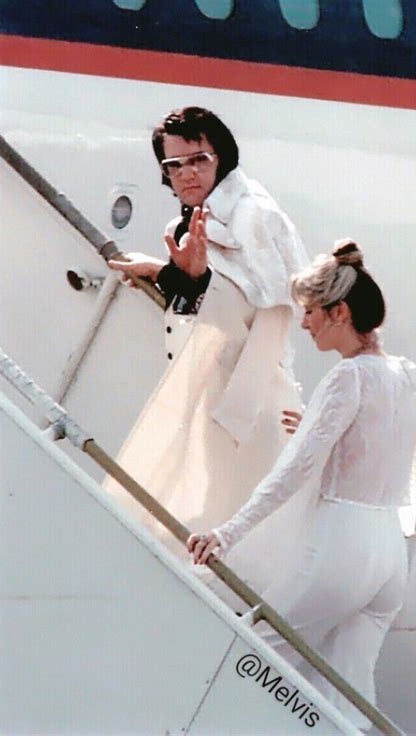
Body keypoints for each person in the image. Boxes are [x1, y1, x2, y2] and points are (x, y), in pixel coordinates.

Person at [188, 239, 416, 729]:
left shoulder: (348, 379)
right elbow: (390, 456)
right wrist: (322, 431)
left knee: (250, 659)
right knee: (345, 705)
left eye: (311, 311)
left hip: (343, 548)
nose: (304, 322)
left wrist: (226, 533)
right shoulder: (402, 375)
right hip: (388, 561)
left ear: (339, 312)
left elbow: (292, 472)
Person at [105, 106, 308, 592]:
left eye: (198, 160)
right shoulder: (197, 219)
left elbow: (273, 302)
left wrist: (176, 275)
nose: (186, 174)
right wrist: (171, 275)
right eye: (174, 166)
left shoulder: (253, 215)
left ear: (222, 159)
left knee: (245, 542)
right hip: (219, 400)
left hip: (252, 402)